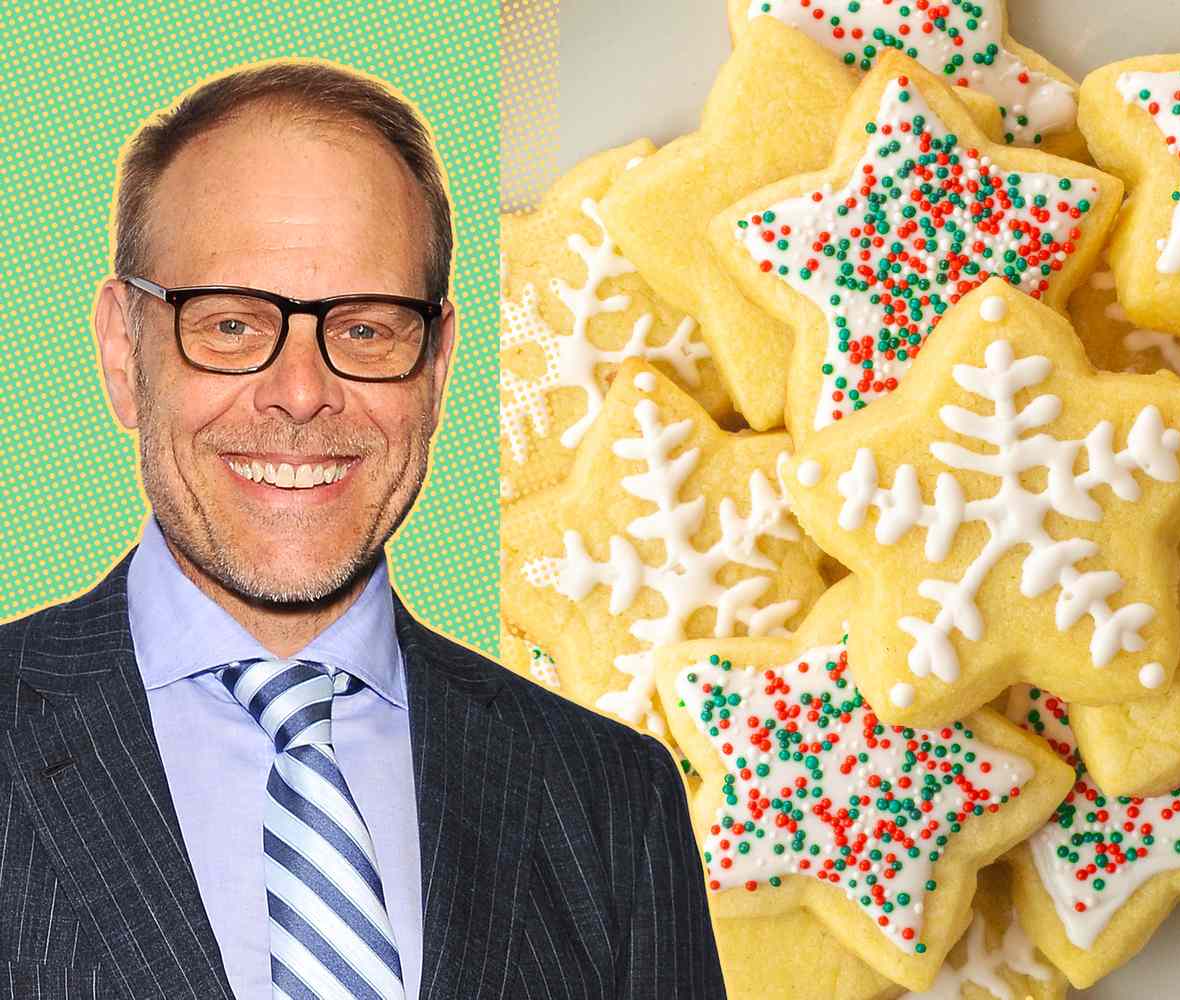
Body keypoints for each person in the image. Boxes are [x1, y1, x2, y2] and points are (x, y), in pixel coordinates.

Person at [0, 61, 723, 1000]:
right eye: (228, 325)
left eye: (369, 330)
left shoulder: (614, 800)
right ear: (120, 351)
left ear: (438, 365)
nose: (301, 393)